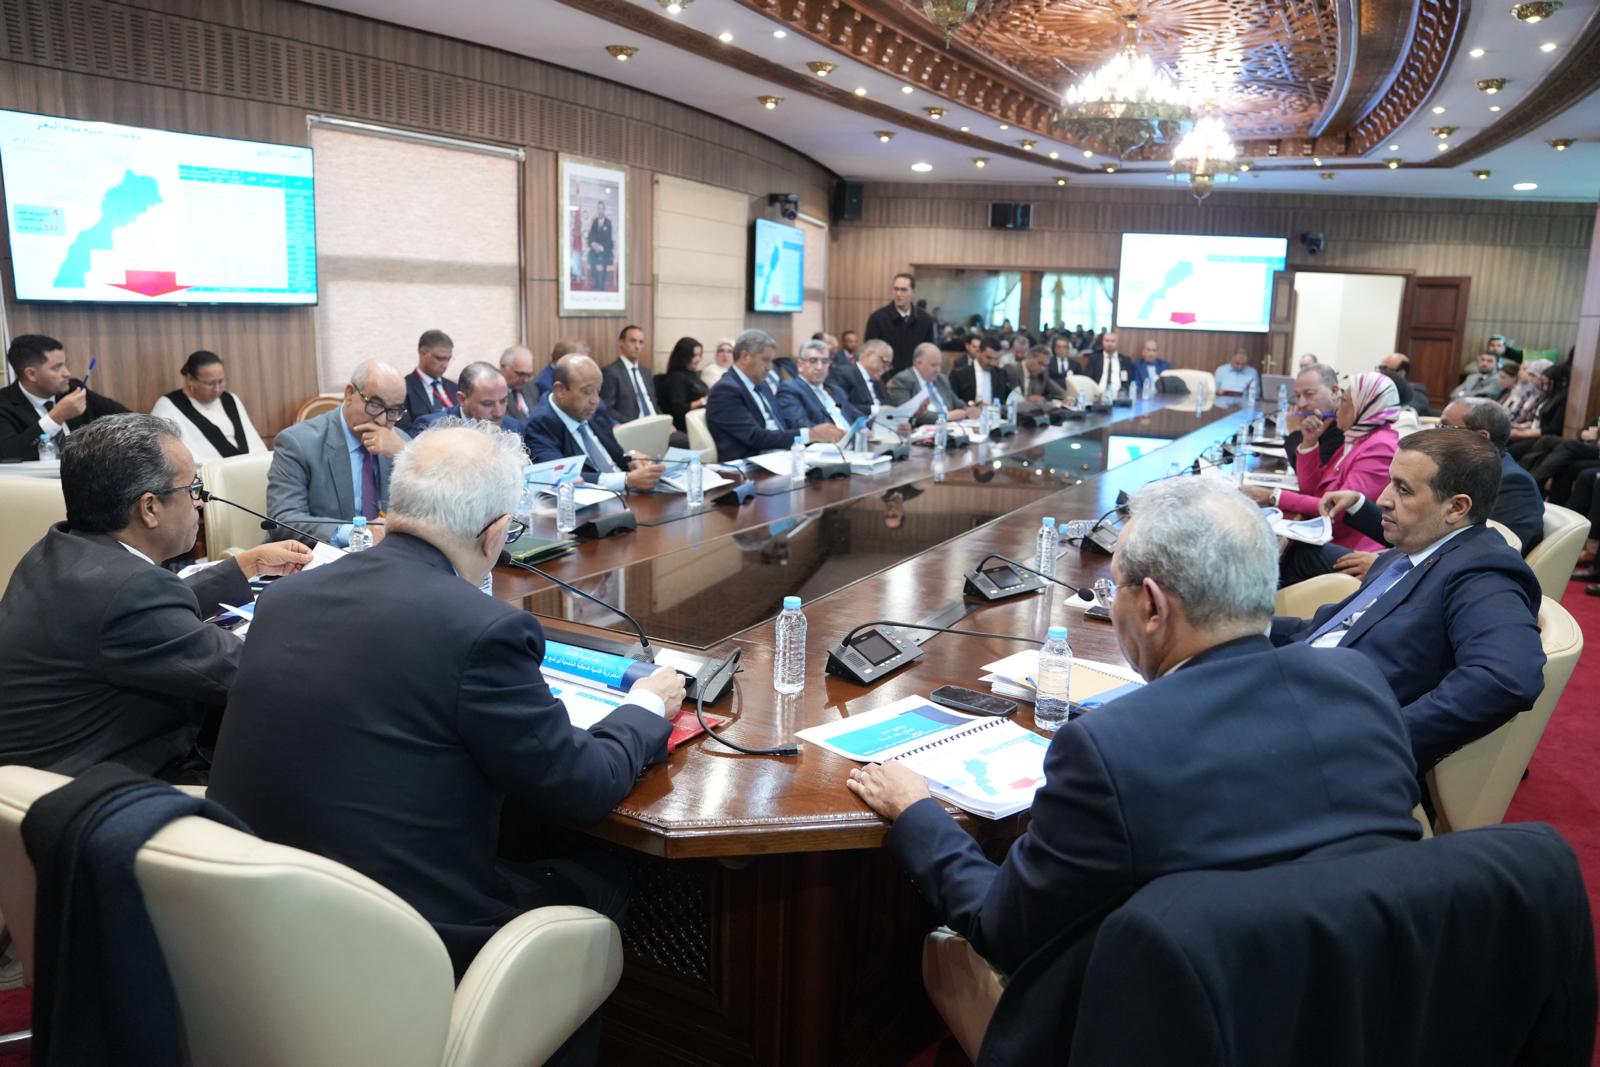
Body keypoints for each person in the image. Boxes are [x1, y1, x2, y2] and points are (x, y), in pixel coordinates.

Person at [848, 478, 1423, 1062]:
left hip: (1159, 1032)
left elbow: (1002, 929)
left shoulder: (1110, 750)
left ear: (1151, 606)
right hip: (1358, 1012)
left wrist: (916, 811)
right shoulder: (1359, 683)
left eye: (1112, 587)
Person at [208, 423, 684, 986]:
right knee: (610, 873)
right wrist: (645, 707)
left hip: (256, 918)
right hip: (403, 941)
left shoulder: (284, 597)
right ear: (496, 533)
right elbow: (583, 787)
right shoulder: (483, 629)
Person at [0, 414, 310, 780]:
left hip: (35, 767)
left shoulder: (60, 548)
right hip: (86, 783)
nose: (200, 502)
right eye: (192, 488)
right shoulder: (129, 591)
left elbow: (138, 611)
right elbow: (252, 674)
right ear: (149, 508)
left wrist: (243, 567)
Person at [1275, 429, 1544, 770]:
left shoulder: (1483, 571)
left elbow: (1507, 678)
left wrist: (1382, 739)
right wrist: (1248, 629)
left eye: (1403, 489)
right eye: (1390, 482)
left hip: (1323, 736)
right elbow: (1337, 628)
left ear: (1456, 508)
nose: (1383, 499)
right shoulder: (1408, 551)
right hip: (1295, 687)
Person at [1245, 373, 1401, 585]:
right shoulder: (1357, 438)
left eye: (1344, 401)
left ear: (1364, 406)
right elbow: (1312, 489)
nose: (1337, 408)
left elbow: (1338, 508)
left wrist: (1274, 496)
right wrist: (1309, 442)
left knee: (1284, 554)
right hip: (1331, 533)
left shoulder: (1380, 446)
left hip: (1356, 547)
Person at [267, 358, 410, 547]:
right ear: (349, 394)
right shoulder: (298, 443)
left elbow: (431, 511)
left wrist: (406, 455)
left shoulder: (400, 443)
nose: (382, 421)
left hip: (387, 555)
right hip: (323, 554)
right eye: (374, 405)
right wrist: (358, 533)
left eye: (394, 411)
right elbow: (283, 519)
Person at [523, 354, 664, 492]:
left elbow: (613, 453)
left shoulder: (594, 409)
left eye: (598, 391)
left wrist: (630, 458)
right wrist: (626, 480)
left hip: (626, 492)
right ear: (560, 391)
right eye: (587, 392)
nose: (595, 400)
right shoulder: (540, 425)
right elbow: (560, 477)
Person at [704, 329, 845, 461]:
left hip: (780, 457)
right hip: (748, 466)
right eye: (765, 360)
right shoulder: (725, 390)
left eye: (771, 361)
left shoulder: (762, 385)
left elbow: (781, 426)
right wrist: (810, 434)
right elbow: (754, 437)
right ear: (745, 356)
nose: (770, 367)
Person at [0, 334, 130, 460]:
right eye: (57, 367)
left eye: (64, 364)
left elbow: (126, 417)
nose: (67, 373)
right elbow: (9, 453)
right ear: (31, 374)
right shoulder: (4, 403)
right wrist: (56, 417)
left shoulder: (74, 389)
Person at [149, 350, 266, 462]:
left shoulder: (230, 399)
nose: (217, 389)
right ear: (190, 379)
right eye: (210, 383)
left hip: (243, 466)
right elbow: (164, 451)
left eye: (221, 381)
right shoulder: (168, 405)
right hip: (202, 471)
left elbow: (252, 441)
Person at [775, 339, 863, 432]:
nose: (819, 367)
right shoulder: (789, 389)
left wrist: (864, 427)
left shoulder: (836, 391)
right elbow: (799, 424)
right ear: (800, 365)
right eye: (813, 361)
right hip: (827, 440)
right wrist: (840, 434)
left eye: (824, 361)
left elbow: (857, 416)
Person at [413, 362, 524, 434]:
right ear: (462, 399)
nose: (498, 413)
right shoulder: (433, 428)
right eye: (487, 403)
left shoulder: (514, 428)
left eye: (503, 401)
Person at [886, 343, 977, 426]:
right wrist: (945, 416)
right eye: (933, 365)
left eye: (939, 365)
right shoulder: (903, 380)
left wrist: (968, 410)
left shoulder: (941, 379)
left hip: (950, 428)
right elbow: (908, 414)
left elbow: (957, 403)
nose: (938, 370)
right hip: (922, 431)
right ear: (918, 363)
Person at [863, 272, 936, 376]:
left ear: (913, 292)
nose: (898, 294)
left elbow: (929, 352)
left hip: (915, 378)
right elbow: (870, 354)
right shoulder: (877, 318)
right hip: (885, 378)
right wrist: (885, 379)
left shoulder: (925, 319)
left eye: (903, 290)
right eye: (896, 289)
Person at [1282, 363, 1343, 468]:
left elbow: (1307, 471)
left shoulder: (1344, 423)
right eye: (1298, 396)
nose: (1301, 404)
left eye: (1309, 394)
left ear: (1334, 391)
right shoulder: (1323, 416)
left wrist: (1295, 432)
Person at [1507, 360, 1568, 462]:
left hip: (1542, 439)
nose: (1545, 387)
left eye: (1547, 383)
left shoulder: (1561, 400)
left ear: (1558, 382)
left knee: (1511, 450)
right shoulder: (1547, 396)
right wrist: (1520, 427)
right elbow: (1536, 420)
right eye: (1543, 383)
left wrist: (1521, 434)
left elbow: (1552, 429)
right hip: (1532, 433)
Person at [598, 324, 660, 424]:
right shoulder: (611, 372)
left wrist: (665, 422)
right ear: (621, 343)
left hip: (655, 423)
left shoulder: (646, 373)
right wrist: (631, 425)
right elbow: (607, 409)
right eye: (633, 341)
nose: (637, 346)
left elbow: (653, 405)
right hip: (632, 425)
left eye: (641, 342)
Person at [398, 329, 456, 434]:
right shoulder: (404, 389)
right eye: (440, 358)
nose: (445, 365)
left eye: (448, 359)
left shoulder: (455, 387)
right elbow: (404, 432)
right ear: (422, 353)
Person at [656, 336, 709, 434]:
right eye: (694, 355)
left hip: (701, 422)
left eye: (699, 355)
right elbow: (679, 409)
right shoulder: (677, 378)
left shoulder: (693, 375)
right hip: (687, 427)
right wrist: (703, 401)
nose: (698, 359)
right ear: (683, 356)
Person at [828, 338, 892, 412]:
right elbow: (840, 407)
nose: (886, 368)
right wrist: (876, 409)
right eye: (884, 361)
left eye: (889, 365)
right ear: (869, 355)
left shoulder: (878, 381)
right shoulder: (842, 374)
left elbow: (888, 405)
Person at [949, 335, 1008, 407]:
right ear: (978, 352)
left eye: (996, 359)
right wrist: (973, 404)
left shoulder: (1001, 374)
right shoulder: (959, 375)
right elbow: (952, 401)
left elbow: (1006, 401)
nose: (992, 363)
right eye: (988, 357)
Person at [1005, 346, 1071, 405]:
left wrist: (1045, 399)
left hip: (1033, 412)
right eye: (1040, 363)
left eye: (1045, 365)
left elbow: (1061, 393)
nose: (1042, 368)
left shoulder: (1042, 375)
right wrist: (1028, 399)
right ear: (1029, 357)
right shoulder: (1012, 370)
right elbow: (1009, 397)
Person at [1084, 331, 1131, 397]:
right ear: (1102, 342)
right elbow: (1088, 379)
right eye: (1107, 340)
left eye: (1113, 341)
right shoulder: (1094, 359)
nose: (1109, 344)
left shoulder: (1125, 360)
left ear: (1117, 343)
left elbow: (1128, 381)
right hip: (1097, 395)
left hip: (1119, 396)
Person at [499, 344, 538, 422]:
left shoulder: (531, 388)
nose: (526, 380)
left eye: (529, 375)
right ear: (503, 368)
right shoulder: (494, 394)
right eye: (521, 374)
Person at [586, 199, 615, 291]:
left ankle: (601, 285)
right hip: (595, 249)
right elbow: (591, 236)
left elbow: (609, 239)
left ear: (604, 210)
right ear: (597, 210)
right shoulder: (594, 221)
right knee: (590, 256)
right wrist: (593, 244)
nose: (600, 211)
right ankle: (596, 283)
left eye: (602, 209)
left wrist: (601, 247)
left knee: (605, 259)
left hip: (605, 249)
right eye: (599, 209)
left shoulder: (608, 223)